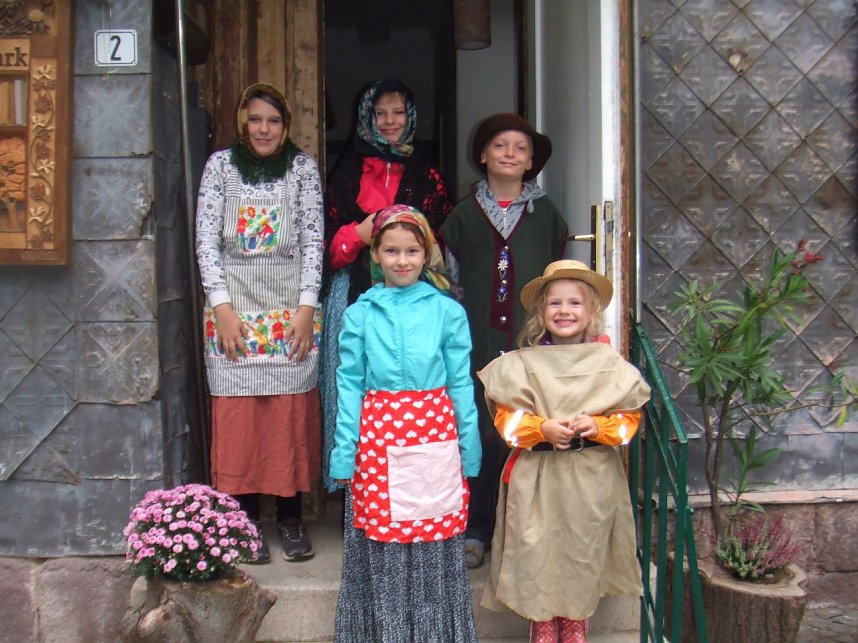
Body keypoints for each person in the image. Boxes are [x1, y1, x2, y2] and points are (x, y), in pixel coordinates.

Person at [330, 204, 481, 643]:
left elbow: (460, 384)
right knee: (384, 545)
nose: (402, 261)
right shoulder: (360, 314)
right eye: (391, 251)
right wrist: (344, 452)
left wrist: (469, 447)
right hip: (376, 442)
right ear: (375, 254)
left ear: (426, 253)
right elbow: (349, 385)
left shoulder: (447, 312)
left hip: (436, 435)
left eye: (412, 251)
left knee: (433, 541)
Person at [477, 260, 651, 642]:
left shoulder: (610, 365)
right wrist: (540, 428)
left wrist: (600, 427)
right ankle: (542, 632)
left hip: (590, 480)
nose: (564, 311)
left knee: (580, 556)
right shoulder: (521, 365)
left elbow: (628, 420)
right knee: (537, 555)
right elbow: (505, 420)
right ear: (541, 312)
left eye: (575, 303)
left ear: (591, 312)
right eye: (555, 303)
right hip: (537, 479)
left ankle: (574, 633)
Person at [195, 83, 324, 564]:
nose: (263, 129)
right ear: (242, 124)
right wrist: (222, 308)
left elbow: (313, 242)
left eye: (273, 121)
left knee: (286, 417)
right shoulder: (220, 168)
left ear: (285, 126)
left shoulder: (302, 169)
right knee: (241, 419)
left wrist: (307, 308)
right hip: (234, 307)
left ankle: (290, 519)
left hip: (289, 307)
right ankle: (243, 521)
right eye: (255, 120)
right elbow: (206, 241)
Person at [440, 112, 568, 568]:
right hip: (477, 340)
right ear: (482, 156)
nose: (510, 154)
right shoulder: (463, 216)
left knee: (528, 430)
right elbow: (451, 283)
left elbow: (556, 280)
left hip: (530, 342)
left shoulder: (546, 216)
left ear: (531, 161)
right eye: (500, 145)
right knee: (481, 432)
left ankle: (521, 533)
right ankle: (476, 528)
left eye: (520, 148)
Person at [321, 78, 452, 491]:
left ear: (411, 117)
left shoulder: (428, 175)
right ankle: (356, 492)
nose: (390, 121)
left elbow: (439, 242)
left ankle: (414, 494)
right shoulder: (346, 175)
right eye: (381, 114)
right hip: (354, 295)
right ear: (366, 118)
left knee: (412, 385)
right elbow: (328, 249)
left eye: (398, 112)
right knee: (354, 388)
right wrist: (357, 236)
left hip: (417, 300)